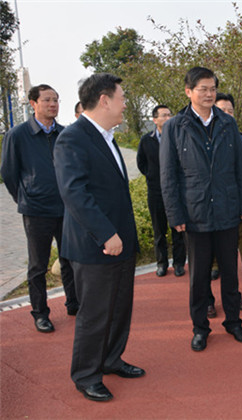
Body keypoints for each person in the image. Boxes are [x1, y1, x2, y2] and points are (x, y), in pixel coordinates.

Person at [54, 73, 144, 402]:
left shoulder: (107, 137)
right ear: (104, 100)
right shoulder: (73, 138)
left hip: (121, 242)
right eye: (122, 98)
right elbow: (74, 193)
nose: (125, 104)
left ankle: (111, 359)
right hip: (95, 246)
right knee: (95, 314)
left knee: (119, 308)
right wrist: (106, 234)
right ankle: (86, 375)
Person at [160, 66, 242, 352]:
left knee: (230, 273)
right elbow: (168, 174)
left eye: (213, 88)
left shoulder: (228, 123)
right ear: (189, 92)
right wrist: (175, 214)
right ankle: (200, 328)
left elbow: (240, 168)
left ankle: (234, 322)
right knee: (198, 277)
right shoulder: (175, 126)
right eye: (203, 89)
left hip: (227, 210)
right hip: (195, 213)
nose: (209, 94)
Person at [1, 84, 79, 333]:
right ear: (33, 103)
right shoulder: (17, 135)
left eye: (56, 100)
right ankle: (40, 314)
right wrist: (25, 197)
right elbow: (9, 173)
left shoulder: (64, 134)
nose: (53, 104)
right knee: (38, 266)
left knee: (70, 259)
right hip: (36, 210)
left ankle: (74, 303)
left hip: (65, 209)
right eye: (47, 100)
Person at [210, 92, 242, 315]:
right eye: (222, 110)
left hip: (231, 207)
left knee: (230, 260)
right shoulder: (202, 137)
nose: (227, 114)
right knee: (205, 260)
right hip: (206, 209)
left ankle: (233, 299)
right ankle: (207, 301)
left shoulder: (239, 139)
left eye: (230, 111)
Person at [137, 105, 186, 277]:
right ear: (155, 119)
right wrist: (152, 176)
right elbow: (141, 163)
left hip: (175, 191)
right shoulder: (146, 140)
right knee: (159, 231)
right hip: (156, 192)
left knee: (178, 229)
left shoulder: (178, 137)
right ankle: (162, 263)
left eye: (169, 115)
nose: (168, 118)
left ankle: (179, 263)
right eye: (164, 115)